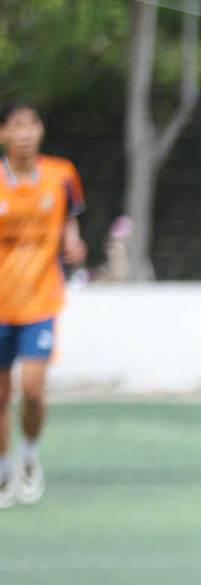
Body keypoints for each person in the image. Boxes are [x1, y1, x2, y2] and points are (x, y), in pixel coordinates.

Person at [0, 101, 85, 510]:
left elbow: (69, 217)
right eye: (17, 126)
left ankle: (29, 457)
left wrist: (73, 240)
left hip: (40, 300)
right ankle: (2, 469)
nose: (25, 133)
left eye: (32, 124)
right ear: (3, 134)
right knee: (0, 396)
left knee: (32, 391)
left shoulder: (61, 174)